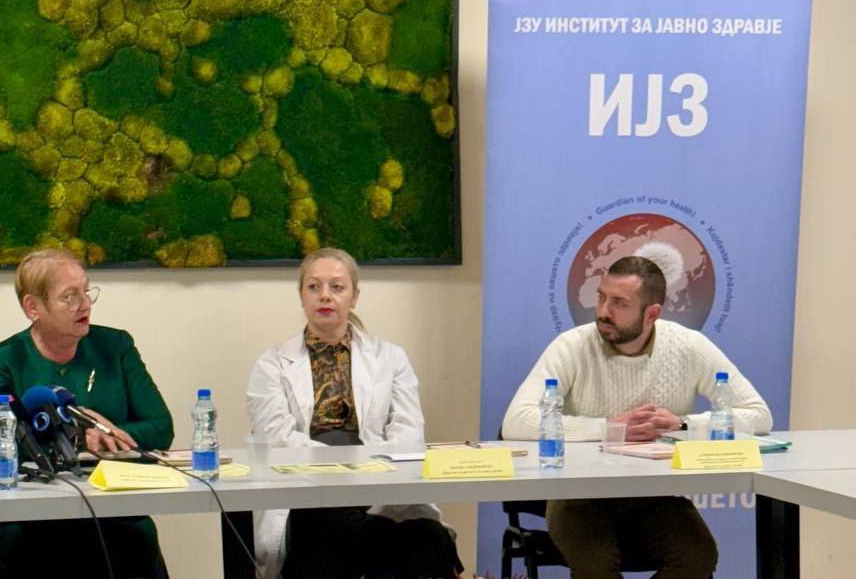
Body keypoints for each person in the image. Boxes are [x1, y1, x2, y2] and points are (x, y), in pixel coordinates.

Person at [501, 255, 772, 577]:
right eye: (601, 297)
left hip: (654, 494)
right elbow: (516, 421)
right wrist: (610, 428)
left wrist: (684, 424)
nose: (603, 311)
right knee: (597, 566)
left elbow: (758, 415)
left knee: (697, 557)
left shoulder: (688, 346)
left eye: (619, 303)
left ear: (652, 313)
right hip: (578, 495)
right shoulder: (572, 346)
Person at [247, 248, 463, 579]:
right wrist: (339, 473)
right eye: (314, 287)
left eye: (337, 287)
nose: (325, 296)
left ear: (355, 297)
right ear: (301, 296)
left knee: (426, 538)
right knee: (330, 524)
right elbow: (276, 438)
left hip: (380, 489)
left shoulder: (391, 358)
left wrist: (366, 476)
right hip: (308, 492)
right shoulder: (271, 364)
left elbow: (408, 434)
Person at [0, 248, 173, 578]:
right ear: (33, 307)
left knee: (133, 537)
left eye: (87, 291)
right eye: (70, 296)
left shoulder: (115, 347)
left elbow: (161, 427)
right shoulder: (3, 360)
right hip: (33, 512)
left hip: (112, 506)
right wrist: (76, 438)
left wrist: (108, 435)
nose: (85, 304)